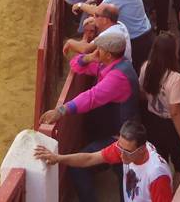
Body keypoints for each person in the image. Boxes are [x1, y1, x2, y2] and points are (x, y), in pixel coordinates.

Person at [38, 29, 140, 202]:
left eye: (98, 49)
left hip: (121, 139)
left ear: (108, 54)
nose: (95, 50)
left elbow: (91, 97)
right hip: (117, 132)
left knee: (89, 170)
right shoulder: (110, 63)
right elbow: (75, 64)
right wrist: (89, 58)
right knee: (122, 178)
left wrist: (61, 110)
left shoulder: (118, 76)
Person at [33, 120, 172, 202]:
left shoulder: (157, 176)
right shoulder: (125, 149)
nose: (121, 155)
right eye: (119, 147)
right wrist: (57, 158)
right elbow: (90, 158)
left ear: (142, 149)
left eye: (127, 152)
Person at [75, 0, 154, 73]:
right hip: (140, 33)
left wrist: (80, 5)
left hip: (138, 39)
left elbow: (99, 11)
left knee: (135, 74)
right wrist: (91, 0)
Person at [138, 32, 180, 172]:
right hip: (171, 128)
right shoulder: (176, 78)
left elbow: (142, 94)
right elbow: (175, 113)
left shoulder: (145, 67)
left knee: (159, 165)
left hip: (152, 123)